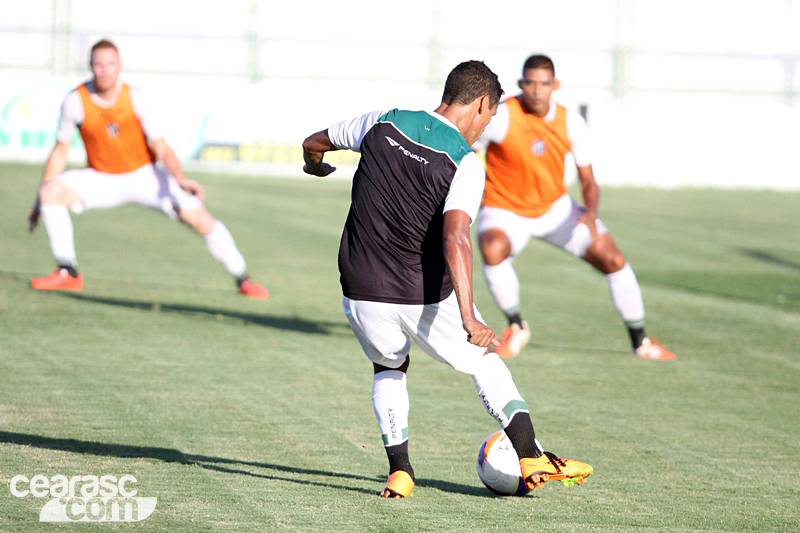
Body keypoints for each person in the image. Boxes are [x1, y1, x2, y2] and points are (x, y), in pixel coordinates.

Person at [302, 60, 592, 498]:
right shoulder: (464, 162)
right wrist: (469, 317)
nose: (484, 128)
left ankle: (400, 471)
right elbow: (456, 236)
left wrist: (315, 166)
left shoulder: (383, 121)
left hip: (360, 289)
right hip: (420, 292)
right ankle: (530, 453)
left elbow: (314, 143)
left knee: (388, 368)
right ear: (481, 103)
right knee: (485, 358)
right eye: (489, 117)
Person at [27, 39, 268, 300]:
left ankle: (243, 278)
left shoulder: (135, 98)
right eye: (99, 65)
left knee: (199, 218)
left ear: (120, 66)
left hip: (145, 175)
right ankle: (68, 272)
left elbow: (161, 147)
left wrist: (179, 179)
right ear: (90, 66)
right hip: (101, 177)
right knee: (50, 191)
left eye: (110, 64)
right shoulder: (75, 101)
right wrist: (39, 199)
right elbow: (60, 151)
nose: (105, 70)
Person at [472, 54, 674, 360]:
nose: (536, 90)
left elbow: (588, 180)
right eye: (530, 83)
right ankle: (517, 326)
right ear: (521, 84)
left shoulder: (570, 122)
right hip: (505, 209)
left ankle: (641, 342)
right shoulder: (502, 116)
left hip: (557, 210)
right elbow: (468, 150)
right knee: (492, 248)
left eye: (543, 84)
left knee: (614, 259)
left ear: (556, 85)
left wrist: (590, 214)